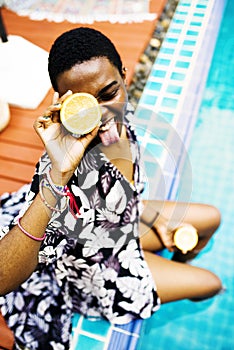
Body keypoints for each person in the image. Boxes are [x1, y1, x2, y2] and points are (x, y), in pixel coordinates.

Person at [0, 27, 222, 349]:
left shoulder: (121, 119)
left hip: (120, 227)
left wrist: (153, 220)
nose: (103, 115)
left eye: (108, 94)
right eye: (86, 104)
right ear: (64, 104)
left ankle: (173, 263)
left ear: (124, 75)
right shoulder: (66, 178)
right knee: (211, 284)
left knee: (210, 218)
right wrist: (58, 176)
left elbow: (120, 194)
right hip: (101, 272)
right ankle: (164, 270)